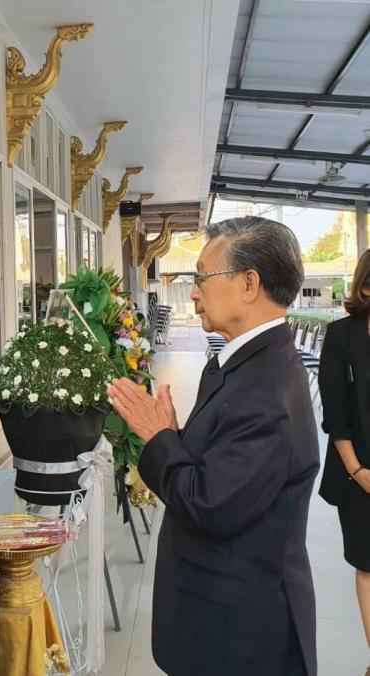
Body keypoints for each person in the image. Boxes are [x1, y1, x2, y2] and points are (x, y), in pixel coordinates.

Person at [107, 216, 319, 675]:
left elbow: (211, 504)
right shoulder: (245, 363)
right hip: (223, 613)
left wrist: (158, 438)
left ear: (249, 283)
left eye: (202, 277)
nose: (194, 292)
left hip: (241, 632)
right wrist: (173, 436)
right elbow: (221, 467)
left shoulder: (266, 388)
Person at [318, 248, 370, 663]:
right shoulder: (342, 335)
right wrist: (357, 471)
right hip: (360, 471)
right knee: (368, 565)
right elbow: (335, 414)